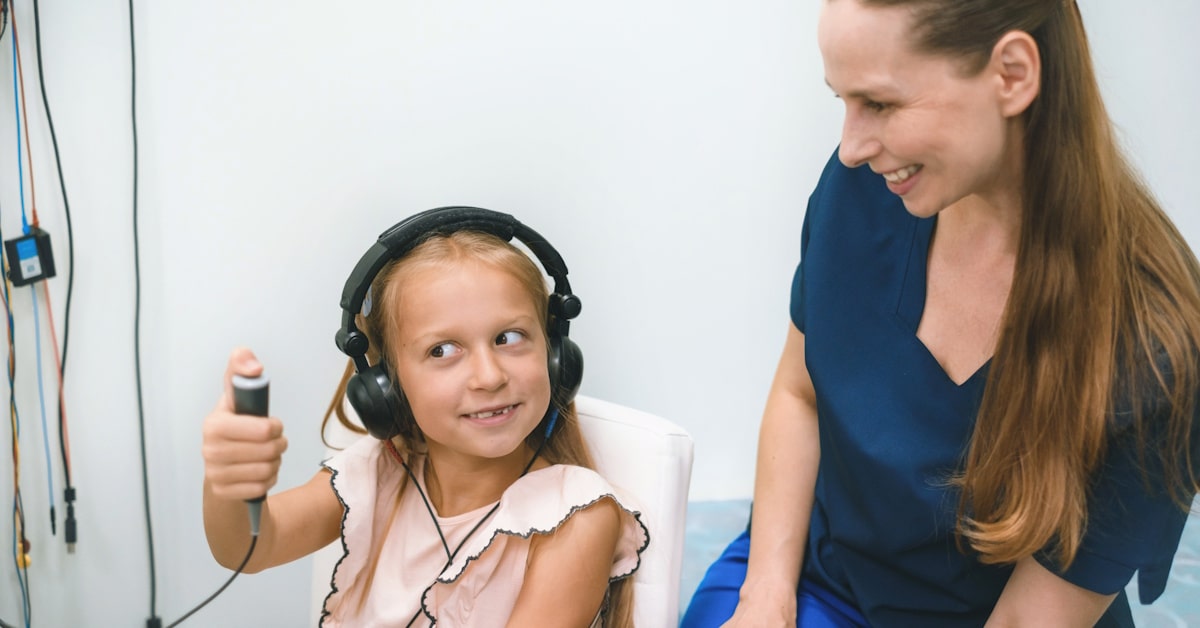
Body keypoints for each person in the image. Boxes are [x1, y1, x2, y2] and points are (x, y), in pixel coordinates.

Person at [682, 1, 1200, 626]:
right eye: (843, 100)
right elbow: (799, 395)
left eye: (880, 103)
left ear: (1012, 74)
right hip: (819, 573)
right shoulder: (864, 189)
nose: (850, 148)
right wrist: (765, 596)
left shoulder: (1157, 346)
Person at [201, 213, 648, 627]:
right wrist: (229, 482)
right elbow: (248, 548)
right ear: (389, 385)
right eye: (442, 350)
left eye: (508, 337)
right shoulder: (380, 473)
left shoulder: (575, 514)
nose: (489, 377)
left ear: (554, 356)